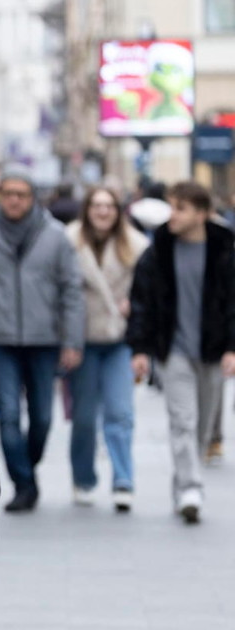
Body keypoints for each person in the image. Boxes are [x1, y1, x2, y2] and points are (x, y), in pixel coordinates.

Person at [0, 171, 85, 512]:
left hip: (44, 338)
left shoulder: (56, 236)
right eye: (9, 193)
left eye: (22, 194)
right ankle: (24, 483)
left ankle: (26, 466)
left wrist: (73, 340)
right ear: (0, 196)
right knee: (9, 414)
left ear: (33, 199)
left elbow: (71, 291)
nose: (14, 200)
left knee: (43, 417)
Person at [127, 181, 235, 524]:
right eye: (171, 206)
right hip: (171, 350)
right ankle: (191, 487)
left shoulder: (225, 248)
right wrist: (141, 348)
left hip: (213, 350)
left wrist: (232, 347)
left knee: (202, 425)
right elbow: (141, 300)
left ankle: (183, 484)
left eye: (180, 208)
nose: (171, 215)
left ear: (202, 213)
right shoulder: (158, 248)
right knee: (182, 421)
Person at [64, 188, 149, 511]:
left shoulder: (137, 246)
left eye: (109, 206)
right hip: (82, 340)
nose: (102, 211)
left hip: (119, 340)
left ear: (118, 210)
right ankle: (83, 478)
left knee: (120, 412)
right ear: (87, 209)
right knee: (84, 417)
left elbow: (148, 291)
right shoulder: (69, 241)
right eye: (97, 205)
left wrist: (135, 306)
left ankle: (123, 480)